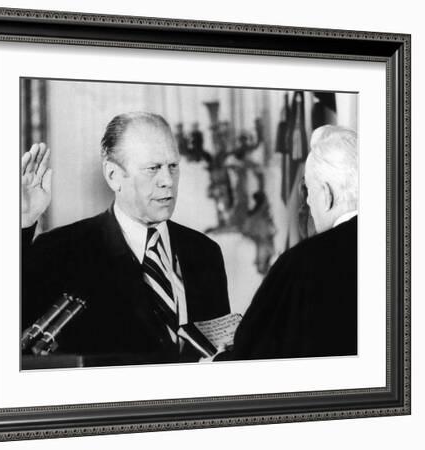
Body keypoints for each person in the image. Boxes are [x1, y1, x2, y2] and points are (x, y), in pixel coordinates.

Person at [22, 112, 230, 367]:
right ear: (113, 176)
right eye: (152, 168)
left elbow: (220, 350)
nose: (167, 181)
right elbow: (8, 335)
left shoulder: (205, 252)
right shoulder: (63, 250)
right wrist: (24, 223)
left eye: (173, 166)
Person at [231, 125, 358, 360]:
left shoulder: (301, 263)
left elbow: (250, 356)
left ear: (327, 195)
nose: (307, 201)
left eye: (308, 190)